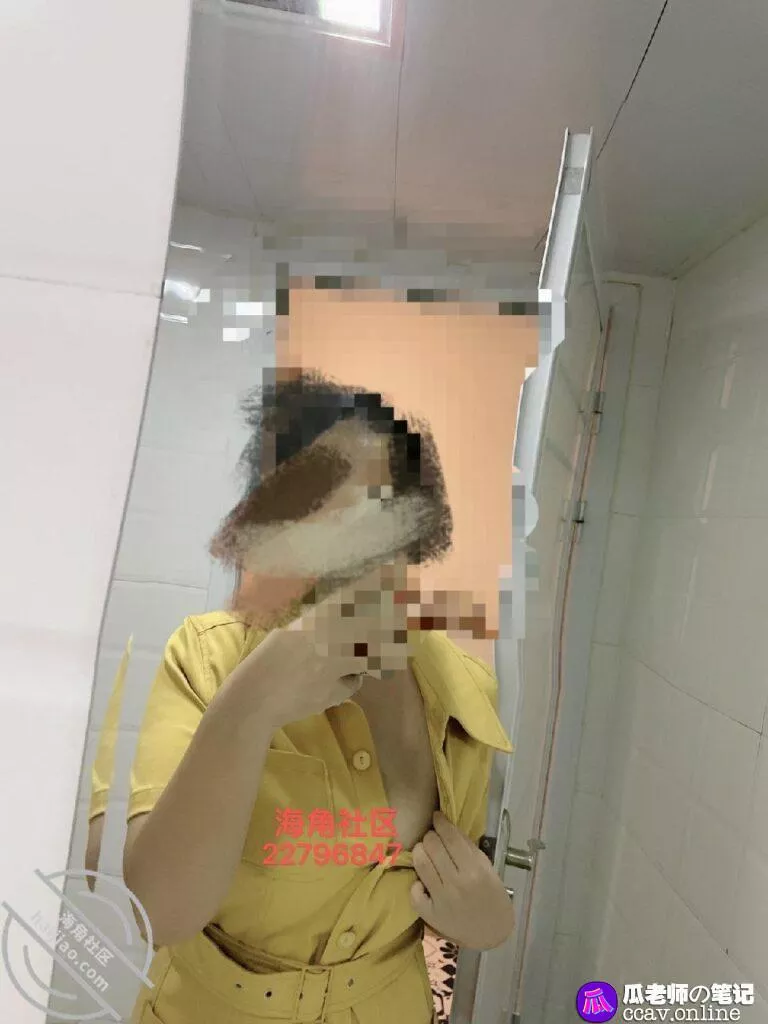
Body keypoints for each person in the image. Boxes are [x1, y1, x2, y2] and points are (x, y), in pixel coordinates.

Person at [86, 369, 515, 1024]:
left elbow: (438, 892)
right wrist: (251, 704)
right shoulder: (203, 658)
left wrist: (486, 920)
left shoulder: (463, 688)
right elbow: (155, 916)